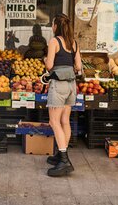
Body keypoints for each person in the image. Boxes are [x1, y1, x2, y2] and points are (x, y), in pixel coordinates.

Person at [44, 13, 82, 177]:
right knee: (65, 120)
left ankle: (64, 161)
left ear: (56, 26)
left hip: (58, 85)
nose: (52, 27)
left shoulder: (54, 41)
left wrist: (46, 59)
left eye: (53, 24)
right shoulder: (73, 43)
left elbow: (50, 66)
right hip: (71, 85)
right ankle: (61, 154)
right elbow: (78, 66)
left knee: (54, 121)